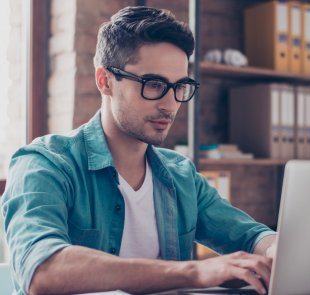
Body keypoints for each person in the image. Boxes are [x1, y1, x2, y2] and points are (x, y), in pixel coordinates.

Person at [1, 6, 276, 295]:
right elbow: (43, 269)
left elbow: (251, 236)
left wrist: (276, 248)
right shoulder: (44, 164)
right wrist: (193, 272)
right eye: (153, 84)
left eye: (179, 86)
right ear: (105, 81)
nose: (170, 104)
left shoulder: (181, 175)